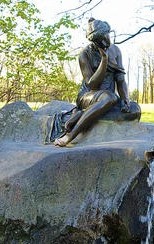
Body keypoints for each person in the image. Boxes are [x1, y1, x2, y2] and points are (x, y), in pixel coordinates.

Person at [54, 18, 133, 147]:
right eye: (99, 40)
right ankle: (71, 134)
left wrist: (125, 99)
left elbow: (120, 79)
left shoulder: (116, 50)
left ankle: (83, 115)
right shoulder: (84, 55)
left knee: (134, 110)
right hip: (89, 95)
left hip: (108, 100)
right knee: (109, 97)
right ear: (93, 42)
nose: (104, 41)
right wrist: (104, 59)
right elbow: (93, 85)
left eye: (105, 36)